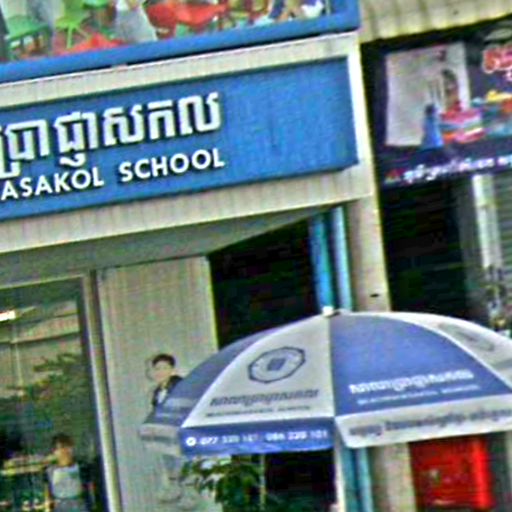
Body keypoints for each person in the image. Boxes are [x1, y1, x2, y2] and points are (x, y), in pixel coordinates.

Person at [45, 433, 91, 512]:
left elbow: (90, 490)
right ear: (54, 452)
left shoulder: (82, 467)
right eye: (60, 448)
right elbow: (47, 497)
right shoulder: (49, 471)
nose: (64, 451)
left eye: (67, 447)